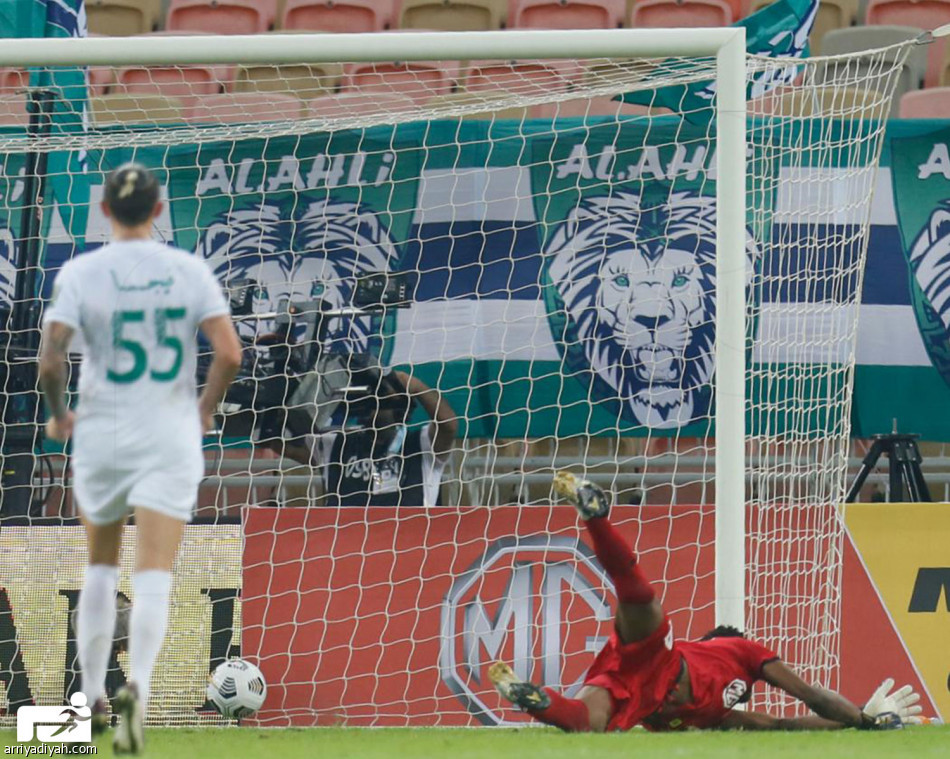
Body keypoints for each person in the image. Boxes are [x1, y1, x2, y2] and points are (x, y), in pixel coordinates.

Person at [39, 163, 242, 754]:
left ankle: (90, 698)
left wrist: (58, 414)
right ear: (158, 212)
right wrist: (204, 409)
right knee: (155, 571)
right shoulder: (187, 270)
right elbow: (228, 352)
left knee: (100, 567)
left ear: (104, 210)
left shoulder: (81, 272)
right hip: (167, 429)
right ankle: (139, 691)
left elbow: (50, 361)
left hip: (105, 429)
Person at [489, 471, 924, 732]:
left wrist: (859, 719)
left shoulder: (719, 713)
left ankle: (528, 694)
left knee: (589, 717)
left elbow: (781, 725)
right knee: (634, 602)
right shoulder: (740, 652)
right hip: (653, 671)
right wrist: (863, 720)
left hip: (639, 681)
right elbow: (805, 698)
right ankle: (596, 518)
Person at [280, 368, 457, 506]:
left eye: (379, 401)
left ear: (399, 409)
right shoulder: (336, 444)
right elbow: (276, 442)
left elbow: (449, 424)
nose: (371, 406)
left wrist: (412, 384)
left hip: (408, 542)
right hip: (346, 543)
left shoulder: (420, 444)